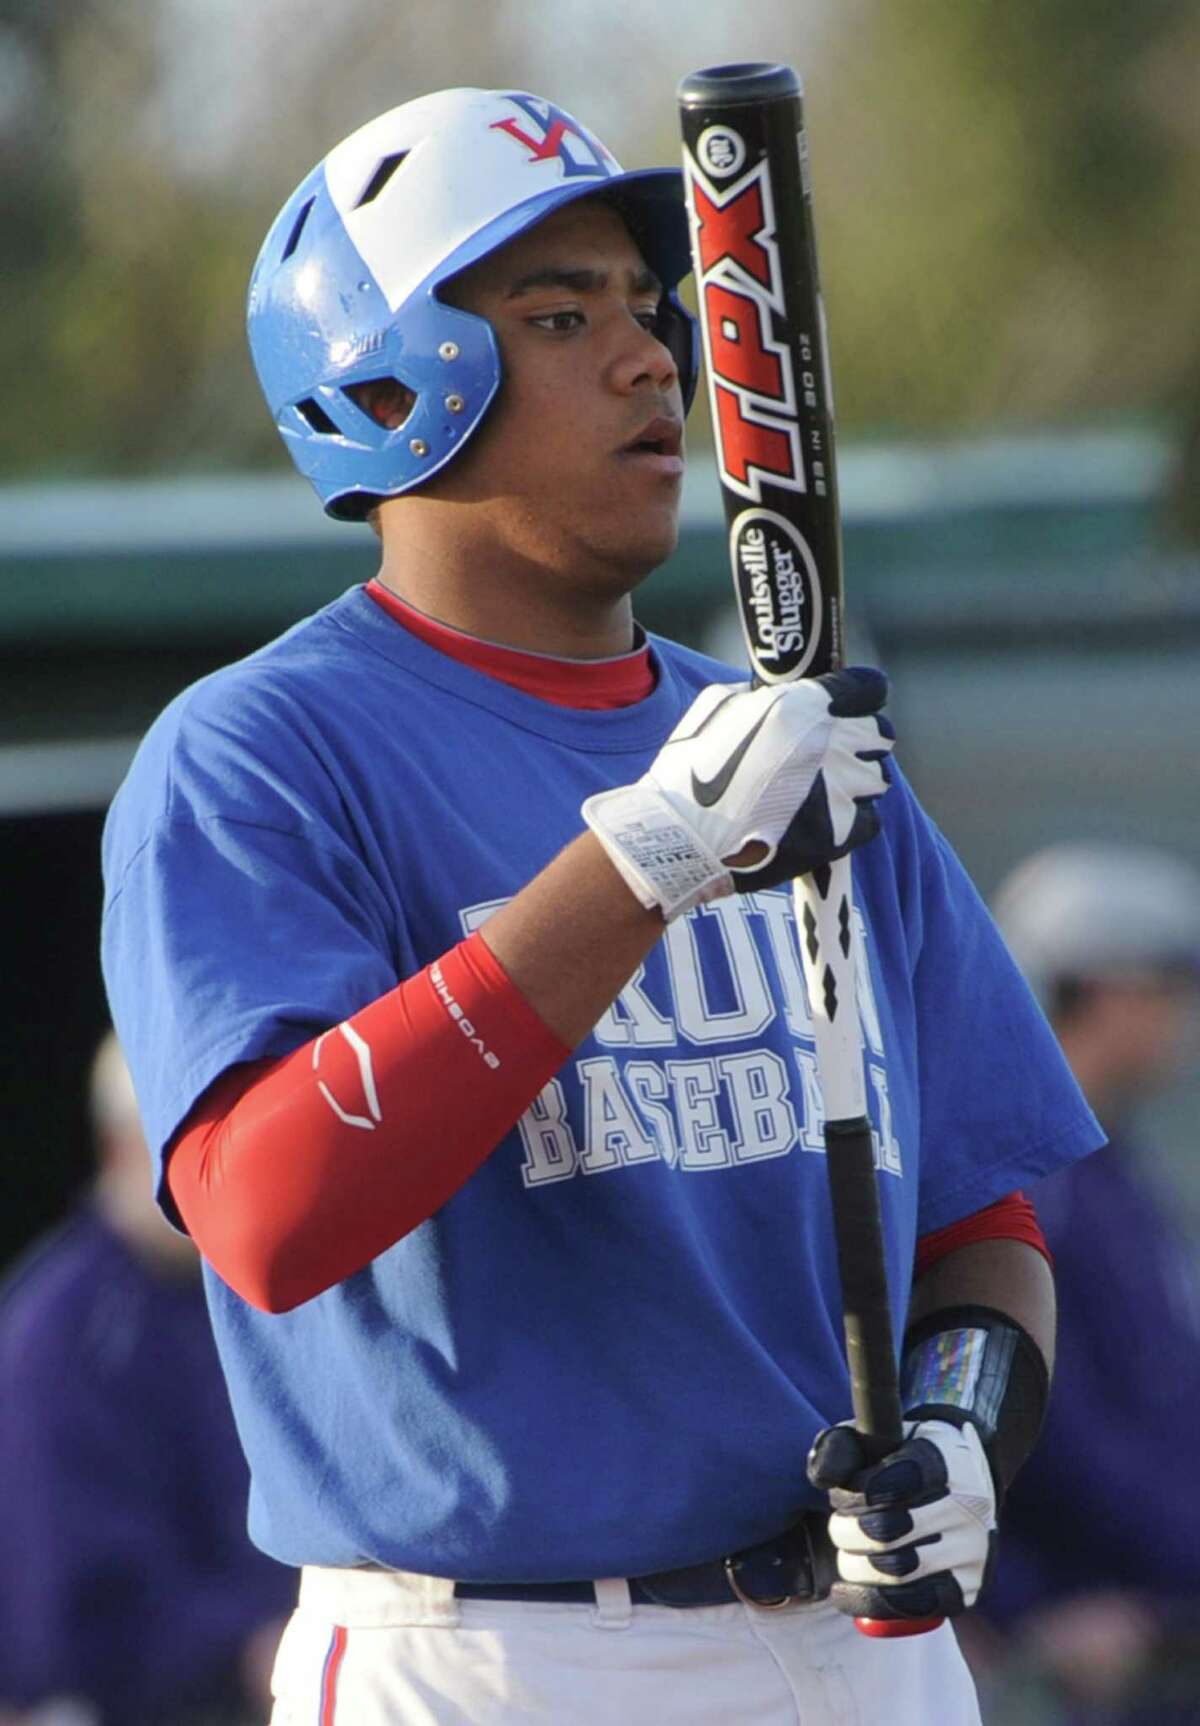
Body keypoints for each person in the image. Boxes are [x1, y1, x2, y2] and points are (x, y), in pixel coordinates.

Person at [99, 86, 1103, 1725]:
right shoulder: (256, 755)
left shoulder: (797, 739)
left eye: (649, 308)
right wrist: (631, 870)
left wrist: (964, 1436)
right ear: (386, 376)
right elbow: (266, 1217)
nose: (651, 359)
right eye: (559, 315)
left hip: (860, 1650)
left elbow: (978, 1226)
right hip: (490, 1653)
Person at [0, 1033, 294, 1726]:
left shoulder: (278, 1296)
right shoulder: (63, 1334)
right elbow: (80, 1612)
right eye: (193, 1142)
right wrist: (246, 1646)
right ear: (121, 1151)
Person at [972, 843, 1200, 1723]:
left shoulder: (1104, 1164)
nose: (1181, 1016)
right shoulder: (1026, 1176)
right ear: (1104, 990)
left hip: (1145, 1615)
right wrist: (1019, 1602)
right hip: (1076, 1643)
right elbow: (1027, 1414)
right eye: (1169, 984)